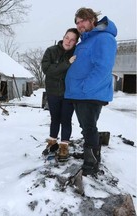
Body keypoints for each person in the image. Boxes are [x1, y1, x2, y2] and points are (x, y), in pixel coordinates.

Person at [65, 8, 117, 175]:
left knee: (89, 127)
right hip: (80, 93)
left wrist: (85, 87)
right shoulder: (85, 42)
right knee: (86, 127)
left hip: (89, 93)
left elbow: (103, 67)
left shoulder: (104, 38)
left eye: (83, 21)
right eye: (77, 22)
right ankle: (91, 154)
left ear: (93, 19)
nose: (80, 25)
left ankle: (91, 163)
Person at [41, 28, 80, 162]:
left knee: (66, 120)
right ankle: (52, 142)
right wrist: (67, 63)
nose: (68, 41)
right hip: (53, 92)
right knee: (54, 118)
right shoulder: (51, 51)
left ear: (76, 42)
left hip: (69, 93)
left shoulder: (77, 53)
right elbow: (47, 70)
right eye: (67, 37)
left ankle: (64, 146)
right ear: (63, 37)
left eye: (72, 39)